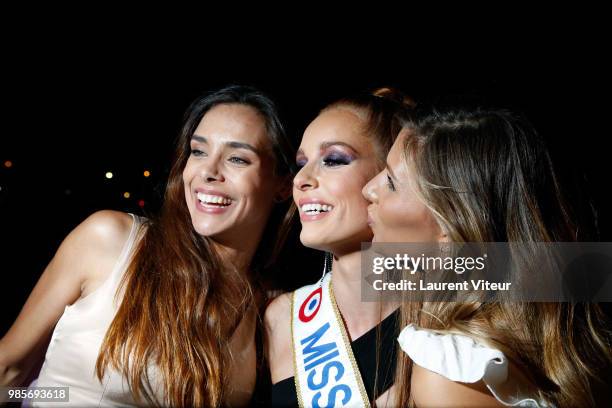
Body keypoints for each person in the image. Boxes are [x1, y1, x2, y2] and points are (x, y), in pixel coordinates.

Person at [0, 85, 295, 407]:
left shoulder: (269, 311)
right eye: (198, 152)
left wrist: (364, 229)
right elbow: (8, 372)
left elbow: (363, 318)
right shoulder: (111, 240)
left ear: (283, 183)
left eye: (237, 159)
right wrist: (46, 395)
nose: (207, 172)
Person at [363, 105, 612, 407]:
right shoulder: (550, 347)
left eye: (390, 183)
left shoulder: (450, 374)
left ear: (450, 227)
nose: (368, 189)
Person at [265, 88, 413, 407]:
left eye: (333, 160)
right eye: (301, 163)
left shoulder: (448, 311)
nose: (302, 179)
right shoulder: (281, 319)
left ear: (391, 176)